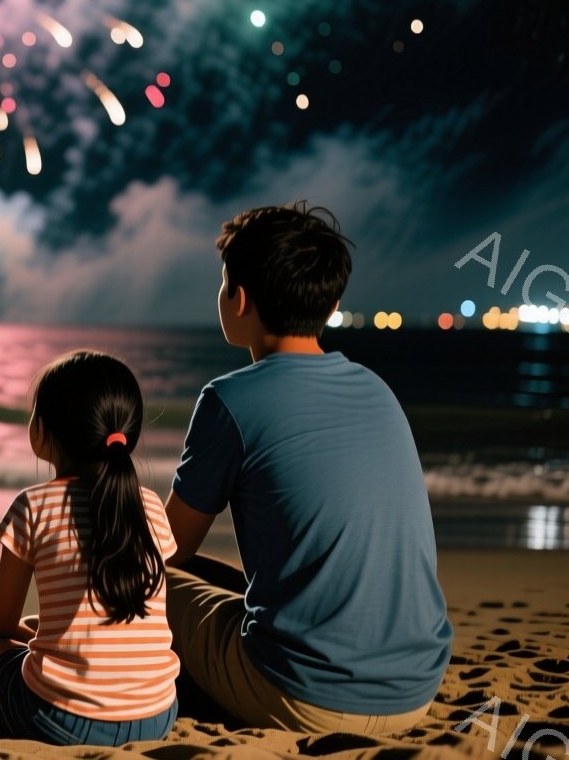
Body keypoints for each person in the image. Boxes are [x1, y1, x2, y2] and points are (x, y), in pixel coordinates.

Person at [163, 203, 452, 734]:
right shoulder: (378, 389)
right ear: (333, 302)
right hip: (415, 693)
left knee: (148, 580)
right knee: (216, 581)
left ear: (239, 297)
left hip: (299, 695)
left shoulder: (230, 400)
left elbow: (165, 550)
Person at [0, 351, 179, 746]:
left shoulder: (34, 506)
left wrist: (26, 634)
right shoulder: (151, 506)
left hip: (61, 720)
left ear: (42, 430)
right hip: (157, 716)